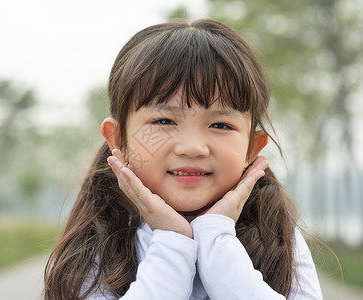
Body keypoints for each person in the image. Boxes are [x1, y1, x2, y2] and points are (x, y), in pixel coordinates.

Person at [43, 19, 323, 299]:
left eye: (220, 125)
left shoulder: (278, 238)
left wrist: (217, 240)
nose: (192, 148)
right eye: (164, 120)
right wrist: (172, 243)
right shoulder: (97, 245)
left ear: (252, 148)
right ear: (119, 140)